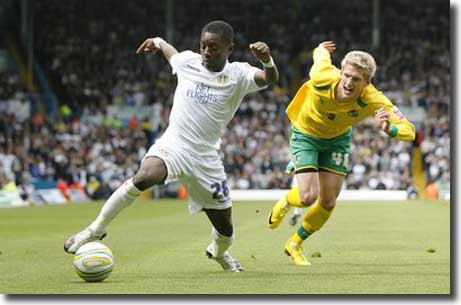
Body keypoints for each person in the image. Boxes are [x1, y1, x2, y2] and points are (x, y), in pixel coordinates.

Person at [64, 20, 279, 272]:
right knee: (146, 176)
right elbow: (172, 54)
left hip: (206, 158)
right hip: (174, 145)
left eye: (214, 48)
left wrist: (267, 60)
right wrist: (158, 42)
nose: (207, 52)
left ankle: (219, 253)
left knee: (226, 229)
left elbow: (269, 78)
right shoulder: (189, 62)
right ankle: (95, 230)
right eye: (204, 46)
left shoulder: (239, 74)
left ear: (229, 49)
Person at [268, 41, 415, 266]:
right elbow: (319, 56)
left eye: (356, 79)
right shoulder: (322, 75)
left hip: (336, 141)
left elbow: (410, 130)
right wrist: (321, 48)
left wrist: (390, 129)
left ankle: (295, 244)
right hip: (305, 133)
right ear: (341, 71)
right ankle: (288, 200)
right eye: (346, 75)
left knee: (328, 202)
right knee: (307, 197)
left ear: (367, 82)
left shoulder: (373, 99)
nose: (348, 82)